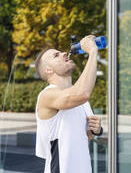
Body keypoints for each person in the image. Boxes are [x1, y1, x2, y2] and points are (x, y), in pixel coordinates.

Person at [34, 35, 103, 173]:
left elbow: (84, 136)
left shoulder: (81, 101)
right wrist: (93, 51)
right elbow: (82, 93)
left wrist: (96, 130)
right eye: (56, 55)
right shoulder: (47, 95)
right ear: (48, 70)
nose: (64, 53)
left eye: (61, 52)